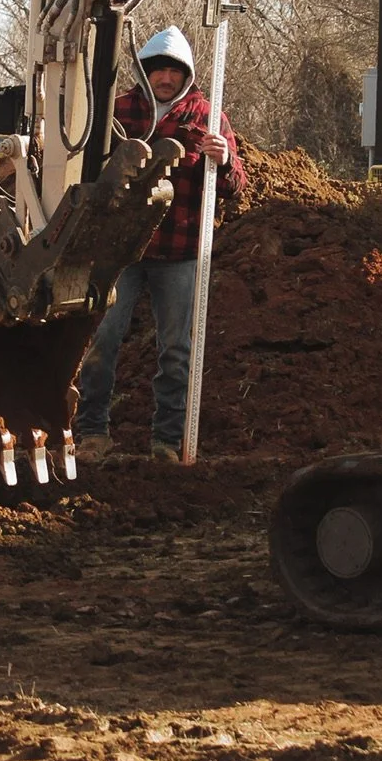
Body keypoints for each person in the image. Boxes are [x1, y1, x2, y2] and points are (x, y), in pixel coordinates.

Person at [74, 25, 246, 462]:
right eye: (158, 70)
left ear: (185, 73)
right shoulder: (119, 111)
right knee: (102, 340)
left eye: (173, 71)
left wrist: (224, 161)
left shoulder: (209, 117)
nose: (165, 78)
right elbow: (88, 170)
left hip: (181, 252)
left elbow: (236, 186)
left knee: (176, 350)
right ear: (144, 72)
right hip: (122, 251)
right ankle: (91, 433)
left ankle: (168, 441)